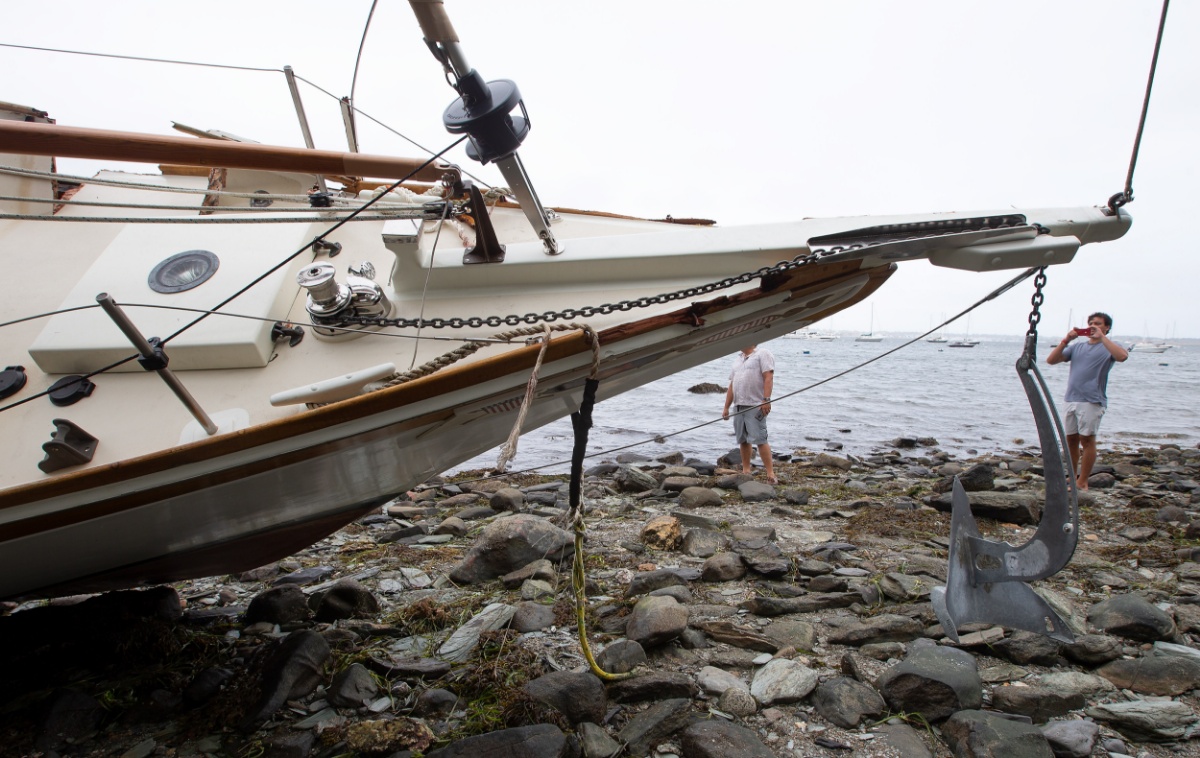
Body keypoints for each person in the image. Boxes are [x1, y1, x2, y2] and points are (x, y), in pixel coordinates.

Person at [1046, 311, 1128, 490]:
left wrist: (1102, 337)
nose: (1092, 326)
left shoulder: (1110, 346)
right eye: (1090, 323)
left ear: (1107, 327)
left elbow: (1122, 356)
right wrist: (1066, 340)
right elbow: (1051, 360)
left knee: (1088, 440)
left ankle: (1083, 481)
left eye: (1098, 324)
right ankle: (1073, 475)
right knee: (1071, 440)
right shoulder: (1077, 347)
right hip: (1071, 398)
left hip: (1092, 400)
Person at [722, 344, 777, 484]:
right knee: (743, 439)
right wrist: (726, 407)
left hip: (755, 404)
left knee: (760, 439)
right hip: (739, 405)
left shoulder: (762, 353)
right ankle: (746, 470)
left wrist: (766, 400)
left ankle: (770, 473)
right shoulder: (738, 360)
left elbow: (768, 377)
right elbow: (731, 385)